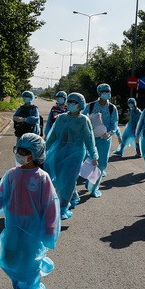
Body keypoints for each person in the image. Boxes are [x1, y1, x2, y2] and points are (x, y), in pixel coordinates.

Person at [0, 133, 60, 289]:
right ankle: (19, 280)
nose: (19, 153)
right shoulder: (11, 174)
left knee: (29, 259)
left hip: (32, 228)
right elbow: (1, 198)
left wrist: (49, 230)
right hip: (12, 224)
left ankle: (30, 288)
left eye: (24, 151)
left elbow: (50, 206)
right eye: (18, 149)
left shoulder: (42, 178)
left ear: (35, 154)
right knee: (9, 256)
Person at [44, 92, 98, 220]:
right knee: (60, 178)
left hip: (76, 154)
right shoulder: (61, 118)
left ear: (80, 105)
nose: (71, 105)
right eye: (70, 102)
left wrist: (94, 155)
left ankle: (62, 207)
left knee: (69, 179)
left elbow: (89, 139)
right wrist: (43, 150)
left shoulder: (83, 120)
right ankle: (73, 197)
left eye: (75, 103)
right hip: (59, 152)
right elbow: (53, 137)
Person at [82, 83, 118, 197]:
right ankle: (89, 179)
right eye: (104, 91)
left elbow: (115, 123)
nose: (107, 93)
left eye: (108, 91)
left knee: (102, 165)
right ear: (99, 93)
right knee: (89, 162)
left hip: (104, 140)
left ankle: (93, 187)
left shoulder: (112, 108)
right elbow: (82, 118)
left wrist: (110, 133)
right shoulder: (91, 106)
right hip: (90, 139)